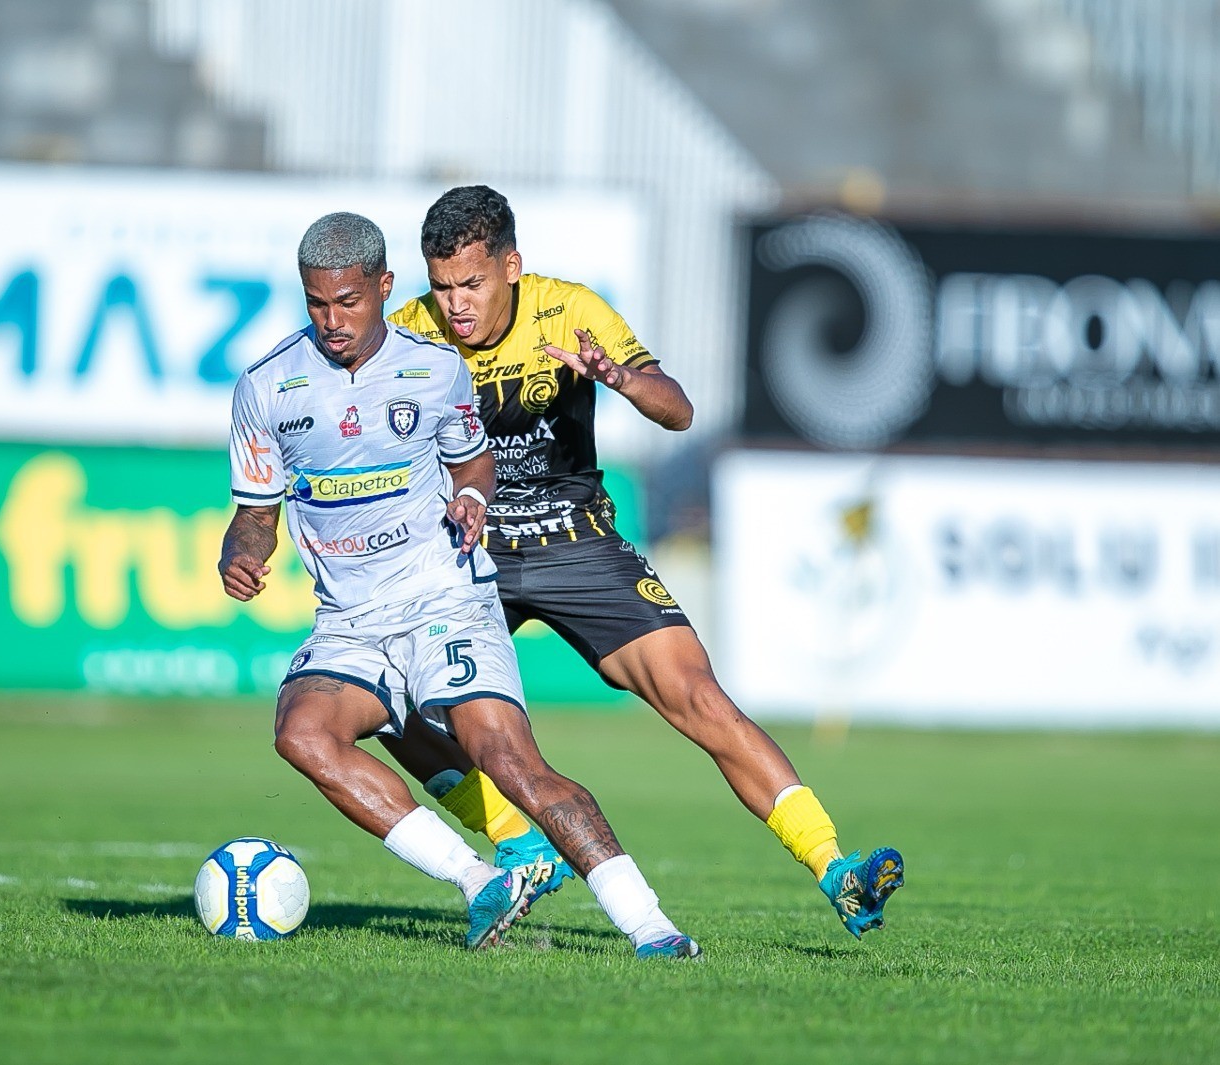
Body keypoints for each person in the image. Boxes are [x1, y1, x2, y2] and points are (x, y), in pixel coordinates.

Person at [384, 185, 903, 938]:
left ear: (512, 267)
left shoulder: (569, 310)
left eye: (473, 283)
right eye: (442, 286)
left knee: (697, 695)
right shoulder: (410, 338)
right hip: (469, 554)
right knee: (386, 698)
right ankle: (522, 843)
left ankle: (836, 868)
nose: (456, 303)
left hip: (575, 543)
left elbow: (679, 409)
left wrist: (622, 379)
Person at [218, 211, 699, 957]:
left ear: (383, 287)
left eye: (348, 302)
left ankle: (653, 927)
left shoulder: (434, 368)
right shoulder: (266, 386)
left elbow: (474, 462)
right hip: (350, 620)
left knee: (510, 762)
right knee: (301, 734)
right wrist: (241, 553)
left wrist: (473, 495)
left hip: (447, 598)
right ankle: (482, 882)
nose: (332, 319)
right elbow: (254, 511)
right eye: (317, 303)